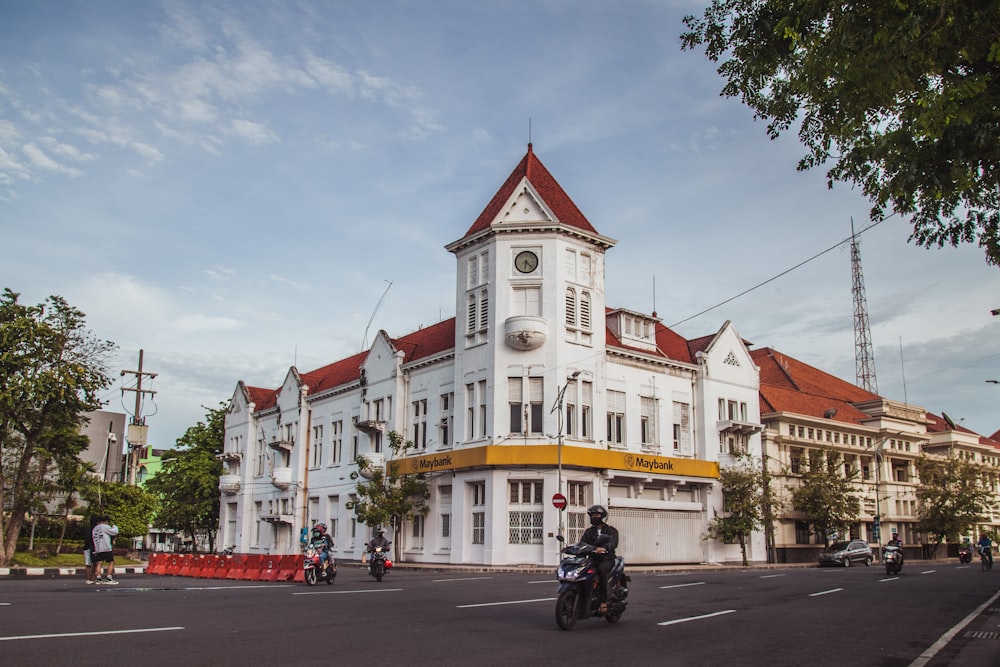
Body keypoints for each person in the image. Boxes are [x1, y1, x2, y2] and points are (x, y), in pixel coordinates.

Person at [579, 504, 619, 613]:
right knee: (581, 570)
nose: (594, 517)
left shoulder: (611, 531)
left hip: (607, 559)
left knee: (601, 570)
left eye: (597, 515)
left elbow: (613, 543)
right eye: (592, 515)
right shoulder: (589, 532)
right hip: (592, 559)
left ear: (602, 516)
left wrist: (605, 548)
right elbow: (582, 543)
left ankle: (603, 601)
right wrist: (572, 549)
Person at [91, 516, 120, 585]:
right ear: (106, 521)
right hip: (106, 548)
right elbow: (114, 532)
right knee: (111, 562)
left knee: (99, 563)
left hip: (98, 548)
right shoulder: (104, 526)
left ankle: (98, 578)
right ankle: (109, 578)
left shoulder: (95, 528)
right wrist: (114, 526)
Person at [83, 515, 99, 584]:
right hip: (92, 548)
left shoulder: (87, 529)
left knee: (89, 563)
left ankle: (89, 578)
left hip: (87, 547)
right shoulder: (95, 530)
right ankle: (91, 577)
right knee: (93, 563)